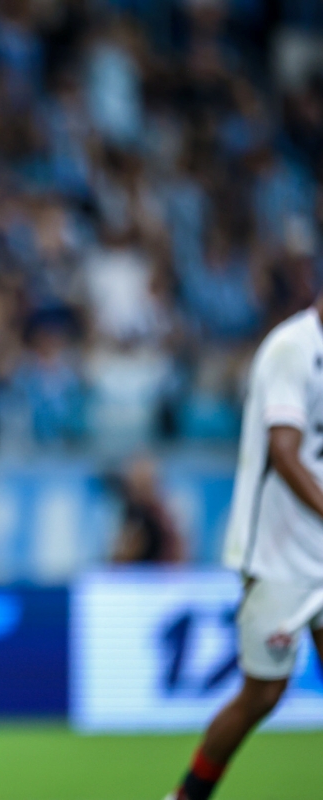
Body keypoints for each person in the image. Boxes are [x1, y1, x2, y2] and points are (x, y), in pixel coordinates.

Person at [166, 295, 323, 800]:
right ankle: (186, 796)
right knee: (263, 693)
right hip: (276, 557)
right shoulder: (293, 349)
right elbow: (284, 452)